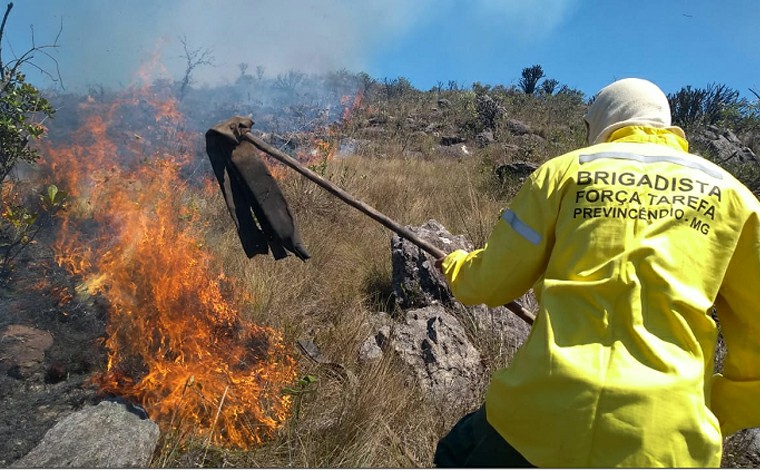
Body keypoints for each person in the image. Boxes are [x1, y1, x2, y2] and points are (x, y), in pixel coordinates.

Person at [433, 78, 760, 467]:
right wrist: (705, 410)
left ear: (603, 121)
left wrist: (456, 265)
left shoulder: (564, 172)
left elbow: (490, 282)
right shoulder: (735, 197)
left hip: (541, 414)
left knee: (454, 454)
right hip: (665, 437)